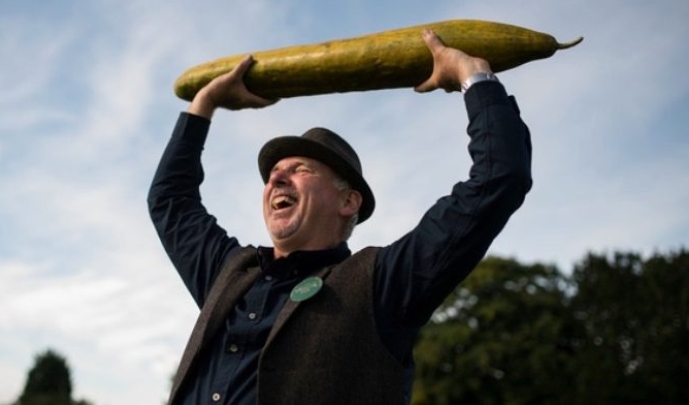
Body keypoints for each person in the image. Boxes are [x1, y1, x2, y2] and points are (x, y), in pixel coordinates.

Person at [148, 29, 532, 405]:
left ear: (348, 201)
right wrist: (204, 104)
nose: (276, 179)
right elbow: (169, 201)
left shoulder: (382, 284)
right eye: (273, 174)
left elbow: (498, 178)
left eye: (300, 170)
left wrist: (473, 76)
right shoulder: (228, 273)